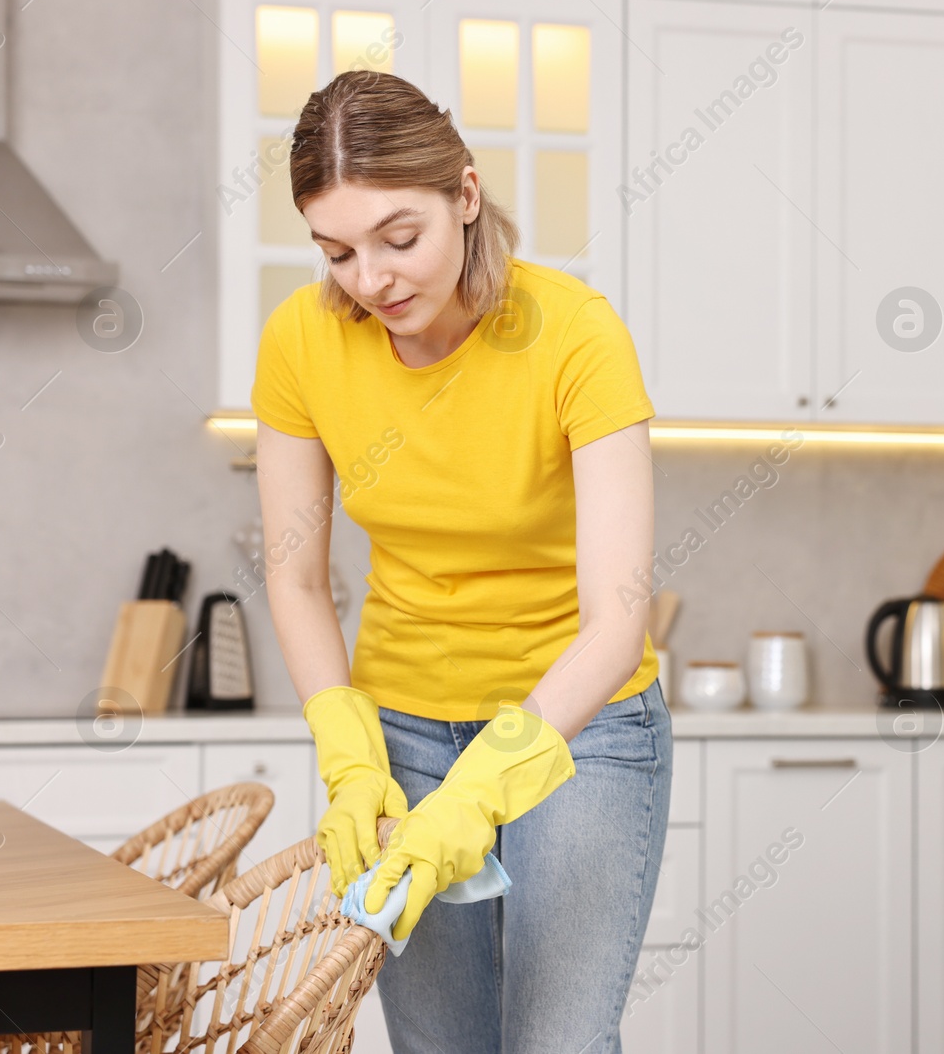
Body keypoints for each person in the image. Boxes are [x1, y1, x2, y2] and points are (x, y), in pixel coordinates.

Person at [251, 69, 669, 1054]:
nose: (372, 279)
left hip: (580, 733)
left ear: (466, 196)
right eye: (337, 250)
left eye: (401, 238)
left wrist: (482, 791)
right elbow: (295, 576)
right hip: (402, 728)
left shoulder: (573, 334)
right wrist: (351, 759)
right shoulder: (303, 342)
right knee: (441, 1045)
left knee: (555, 1040)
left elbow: (616, 620)